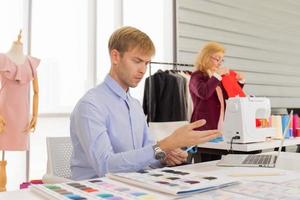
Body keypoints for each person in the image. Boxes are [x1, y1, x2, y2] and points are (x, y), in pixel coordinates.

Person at [70, 26, 221, 180]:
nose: (143, 70)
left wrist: (165, 156)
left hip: (133, 185)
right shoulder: (91, 105)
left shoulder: (134, 105)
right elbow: (105, 166)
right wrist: (163, 145)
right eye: (137, 61)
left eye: (146, 63)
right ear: (115, 56)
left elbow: (146, 158)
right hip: (96, 190)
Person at [189, 41, 245, 162]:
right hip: (203, 129)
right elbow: (204, 93)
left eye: (222, 60)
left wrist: (240, 82)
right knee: (204, 165)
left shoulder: (217, 78)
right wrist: (217, 75)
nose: (219, 63)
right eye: (217, 59)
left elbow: (230, 95)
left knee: (216, 163)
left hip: (219, 128)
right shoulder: (197, 76)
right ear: (206, 57)